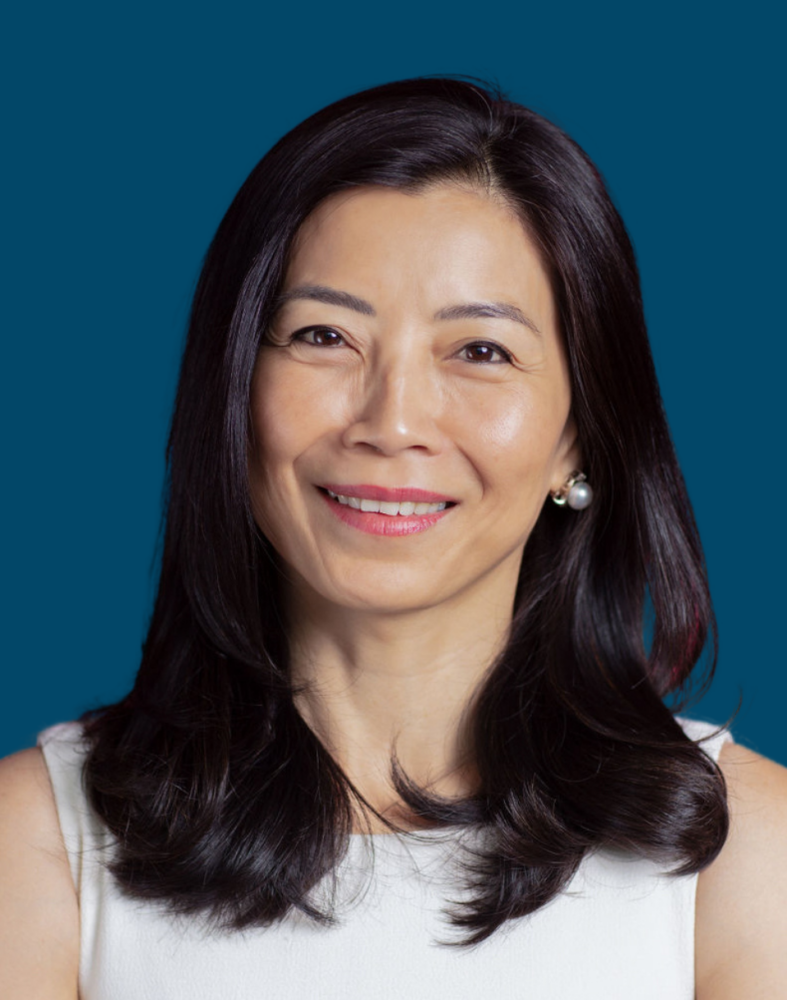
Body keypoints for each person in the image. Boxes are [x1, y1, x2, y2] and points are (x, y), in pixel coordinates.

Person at [1, 77, 785, 999]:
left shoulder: (745, 860)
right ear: (234, 397)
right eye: (324, 335)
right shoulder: (36, 845)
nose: (392, 419)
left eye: (480, 351)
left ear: (577, 437)